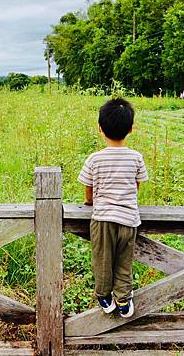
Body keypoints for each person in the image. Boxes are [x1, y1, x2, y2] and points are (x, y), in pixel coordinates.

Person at [78, 98, 148, 318]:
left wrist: (90, 202)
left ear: (100, 129)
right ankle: (123, 299)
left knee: (103, 259)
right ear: (130, 129)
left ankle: (104, 296)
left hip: (102, 218)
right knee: (124, 261)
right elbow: (136, 187)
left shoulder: (94, 159)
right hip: (128, 219)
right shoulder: (136, 158)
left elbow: (89, 188)